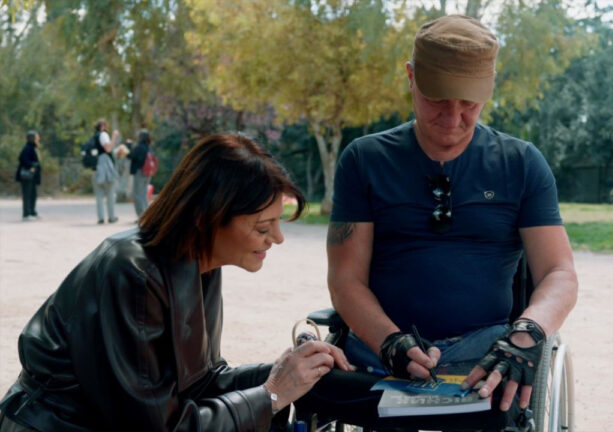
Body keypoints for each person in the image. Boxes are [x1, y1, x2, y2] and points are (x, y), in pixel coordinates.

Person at [0, 133, 353, 431]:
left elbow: (200, 382)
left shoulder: (200, 262)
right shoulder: (133, 273)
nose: (278, 238)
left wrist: (288, 371)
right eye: (263, 227)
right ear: (207, 218)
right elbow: (157, 426)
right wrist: (273, 393)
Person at [327, 14, 578, 414]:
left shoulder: (522, 164)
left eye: (469, 103)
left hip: (488, 351)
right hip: (379, 349)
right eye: (437, 99)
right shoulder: (364, 160)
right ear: (411, 77)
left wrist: (528, 333)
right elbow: (346, 279)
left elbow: (559, 273)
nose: (452, 117)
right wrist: (390, 341)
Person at [92, 119, 120, 224]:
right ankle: (111, 217)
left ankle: (101, 218)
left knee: (99, 194)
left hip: (96, 167)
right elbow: (108, 149)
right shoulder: (103, 134)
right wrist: (114, 137)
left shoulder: (94, 137)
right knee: (110, 192)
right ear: (103, 126)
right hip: (105, 165)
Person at [15, 131, 41, 221]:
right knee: (27, 195)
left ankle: (32, 212)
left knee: (33, 194)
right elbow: (22, 158)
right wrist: (31, 166)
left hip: (32, 176)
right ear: (32, 138)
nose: (38, 139)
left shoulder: (33, 148)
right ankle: (26, 214)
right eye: (37, 137)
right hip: (27, 176)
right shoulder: (27, 148)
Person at [128, 129, 152, 218]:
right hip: (148, 173)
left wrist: (128, 145)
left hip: (139, 173)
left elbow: (130, 155)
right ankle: (146, 214)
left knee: (137, 194)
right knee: (144, 194)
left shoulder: (139, 147)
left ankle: (141, 215)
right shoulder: (149, 147)